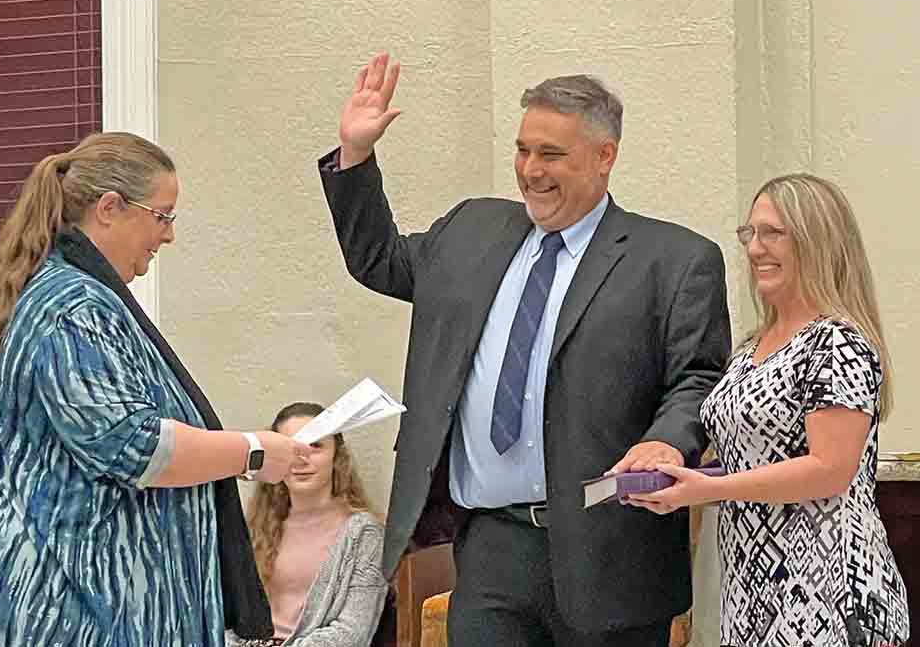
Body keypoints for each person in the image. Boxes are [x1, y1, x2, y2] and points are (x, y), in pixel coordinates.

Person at [317, 52, 731, 646]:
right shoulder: (472, 230)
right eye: (523, 150)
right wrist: (355, 154)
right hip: (492, 547)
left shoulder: (673, 260)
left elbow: (697, 377)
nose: (531, 170)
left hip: (610, 549)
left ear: (605, 156)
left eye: (552, 154)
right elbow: (377, 259)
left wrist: (666, 438)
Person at [0, 132, 309, 647]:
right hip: (49, 604)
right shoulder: (71, 307)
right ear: (110, 208)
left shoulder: (75, 296)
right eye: (162, 216)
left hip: (75, 599)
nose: (169, 236)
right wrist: (256, 450)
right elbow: (136, 448)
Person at [633, 174, 911, 647]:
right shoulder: (748, 349)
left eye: (773, 233)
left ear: (816, 240)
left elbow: (829, 470)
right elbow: (753, 460)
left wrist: (708, 489)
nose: (755, 248)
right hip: (752, 591)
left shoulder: (838, 342)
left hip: (828, 593)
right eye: (750, 234)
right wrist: (668, 471)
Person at [228, 402, 387, 647]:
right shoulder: (255, 526)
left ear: (337, 456)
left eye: (315, 446)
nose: (302, 459)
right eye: (291, 447)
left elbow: (352, 632)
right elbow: (224, 616)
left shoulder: (364, 534)